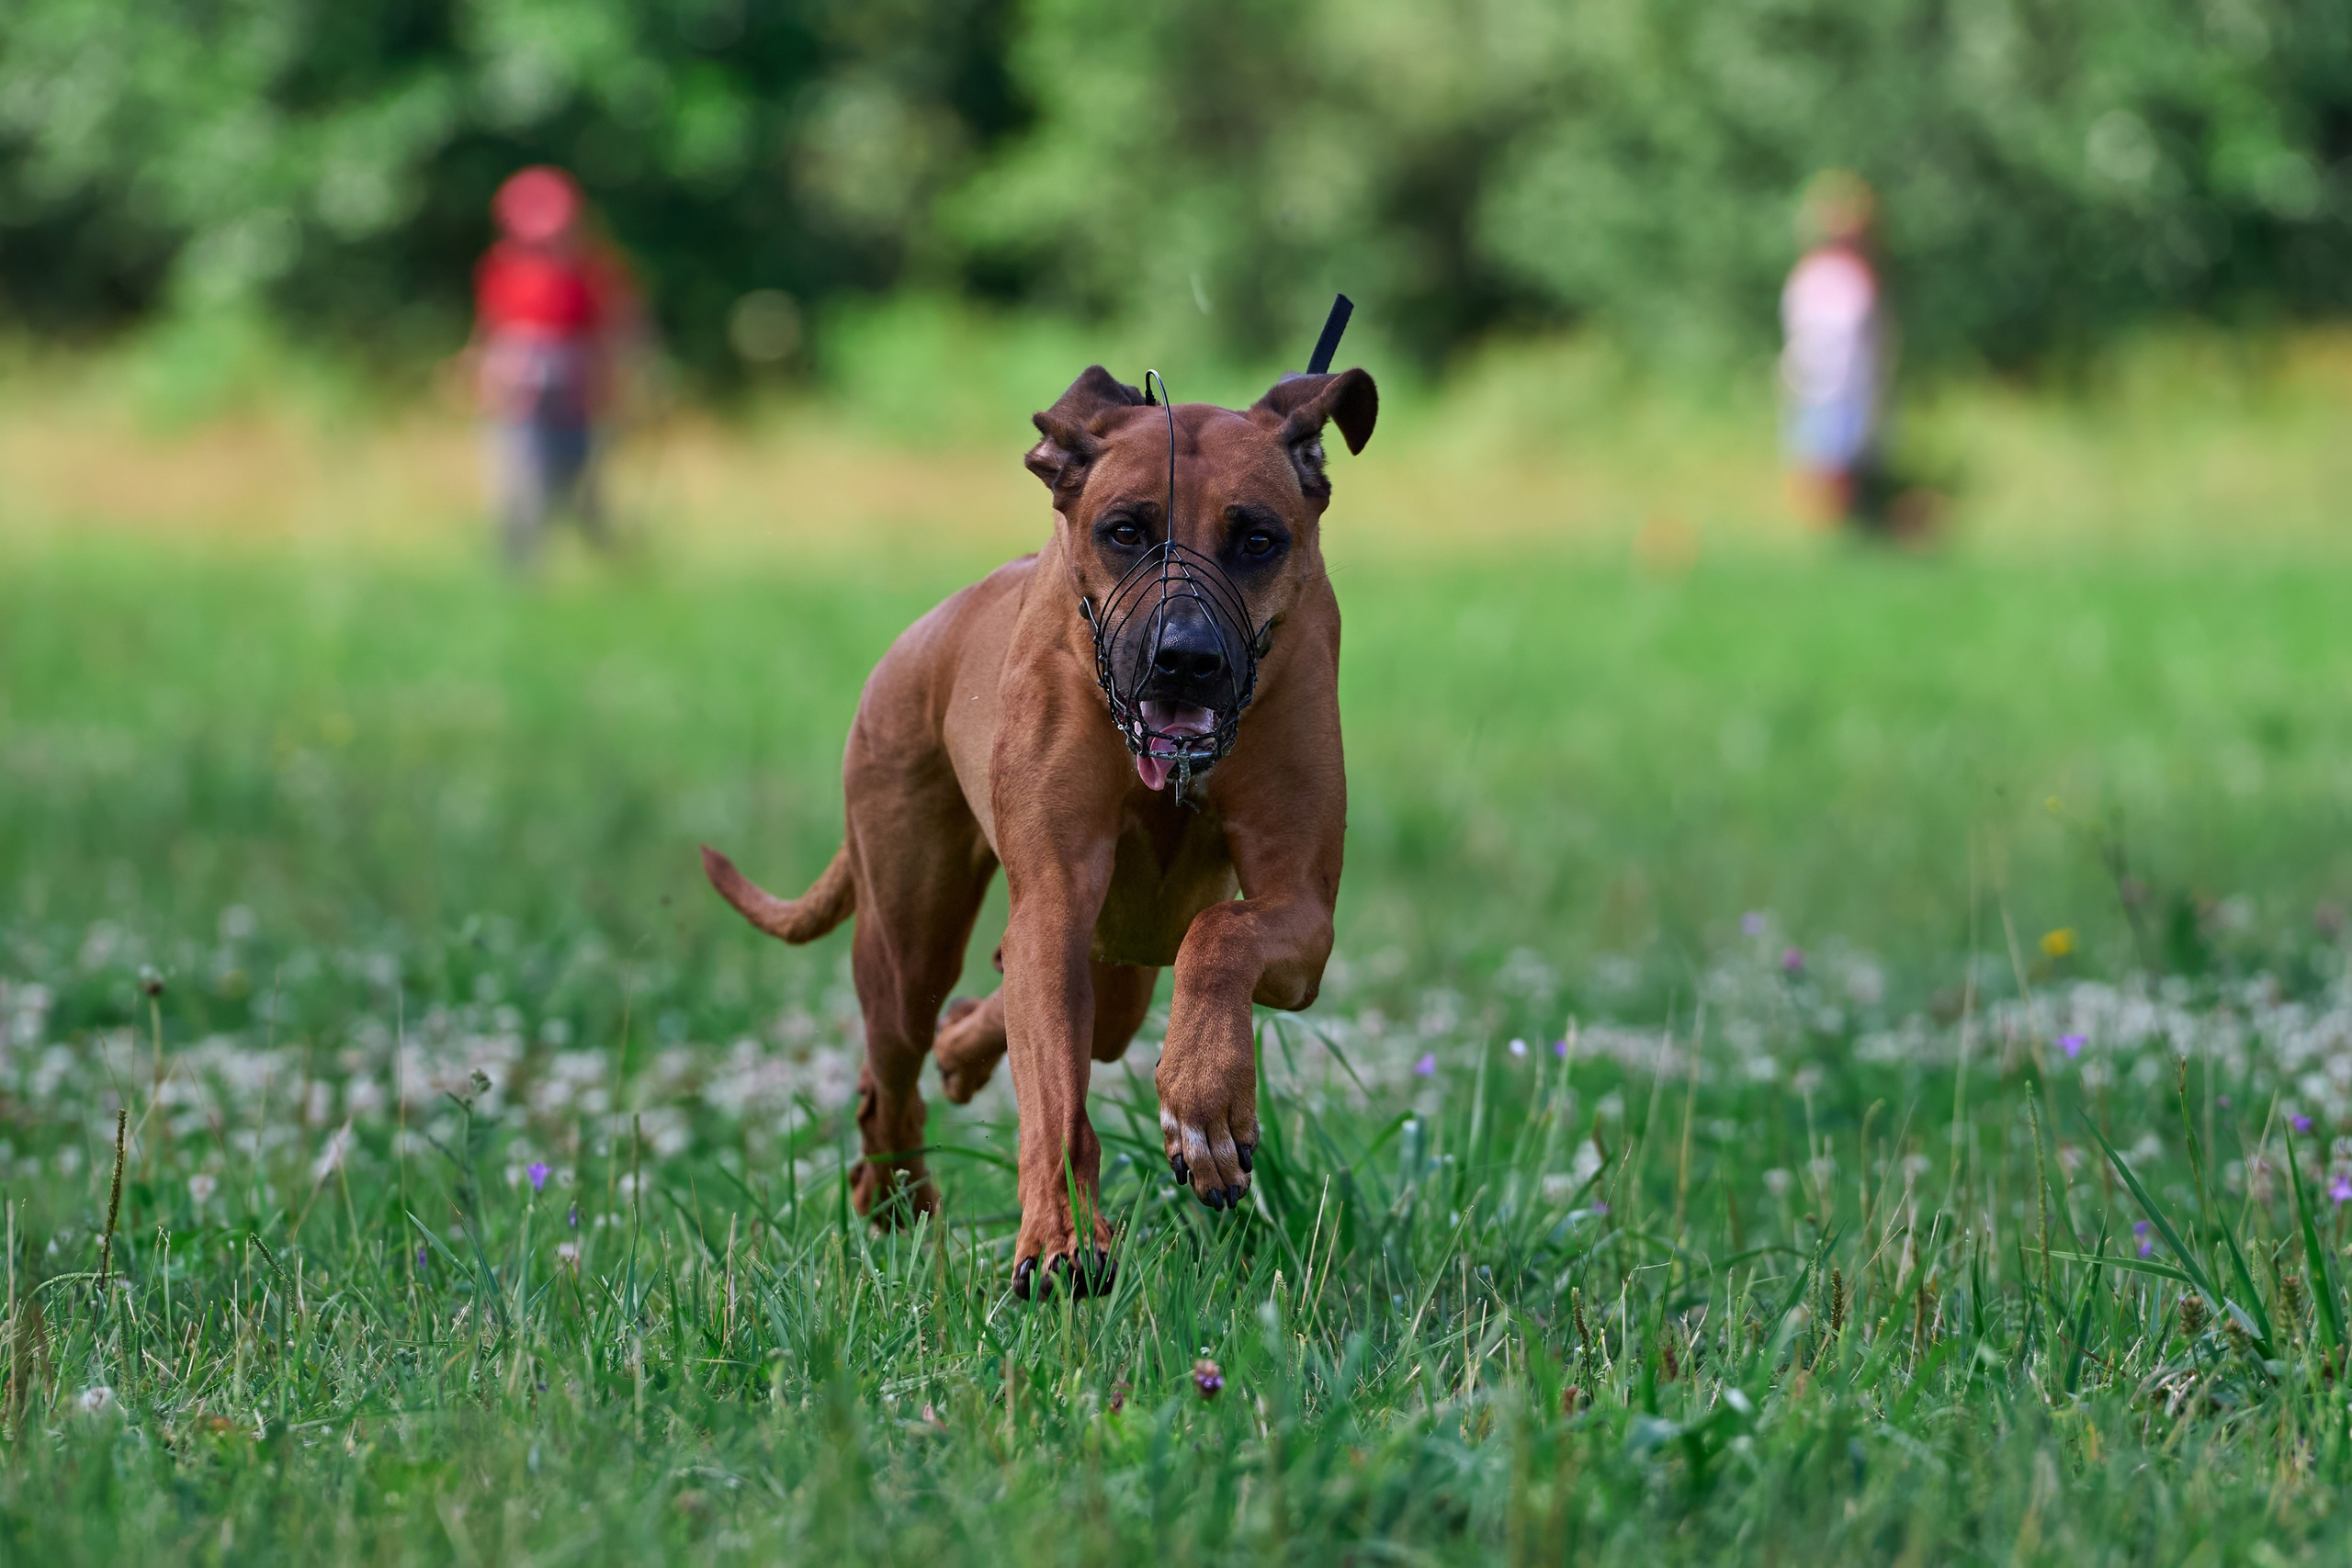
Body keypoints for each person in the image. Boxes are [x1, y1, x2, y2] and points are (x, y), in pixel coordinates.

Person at [469, 166, 640, 568]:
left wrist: (617, 383)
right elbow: (490, 329)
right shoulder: (501, 266)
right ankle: (523, 568)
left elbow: (614, 330)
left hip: (573, 388)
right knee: (517, 478)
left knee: (578, 480)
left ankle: (607, 562)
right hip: (519, 389)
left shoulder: (589, 269)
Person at [1780, 171, 1889, 531]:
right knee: (1813, 461)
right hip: (1815, 379)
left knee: (1843, 463)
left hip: (1848, 380)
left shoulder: (1855, 274)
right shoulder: (1815, 272)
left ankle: (1839, 530)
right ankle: (1814, 531)